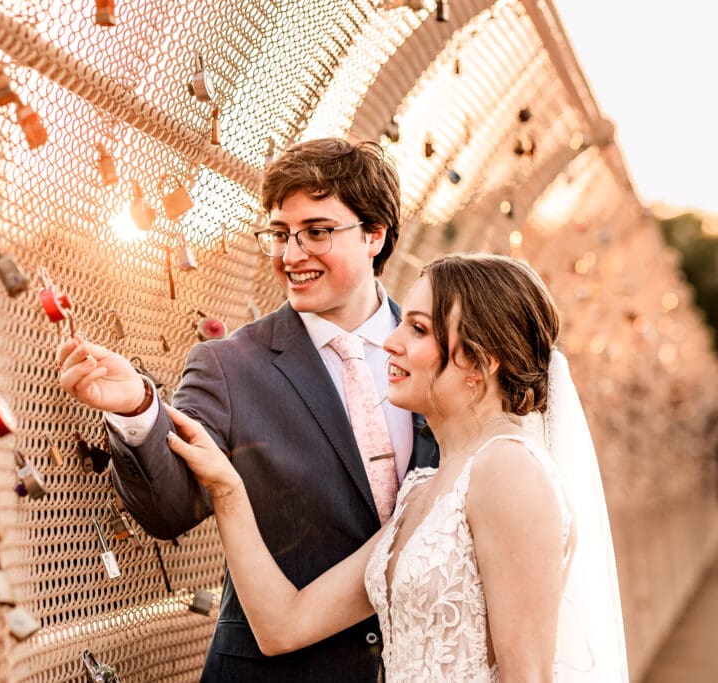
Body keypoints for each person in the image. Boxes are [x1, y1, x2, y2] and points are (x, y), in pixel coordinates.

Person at [58, 138, 439, 681]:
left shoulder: (441, 351)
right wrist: (138, 409)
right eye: (280, 234)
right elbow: (170, 509)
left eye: (317, 231)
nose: (290, 255)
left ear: (375, 234)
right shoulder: (228, 366)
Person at [165, 253, 629, 682]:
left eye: (419, 329)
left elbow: (527, 676)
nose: (390, 342)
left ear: (480, 361)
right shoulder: (422, 492)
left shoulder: (509, 471)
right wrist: (227, 490)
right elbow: (282, 625)